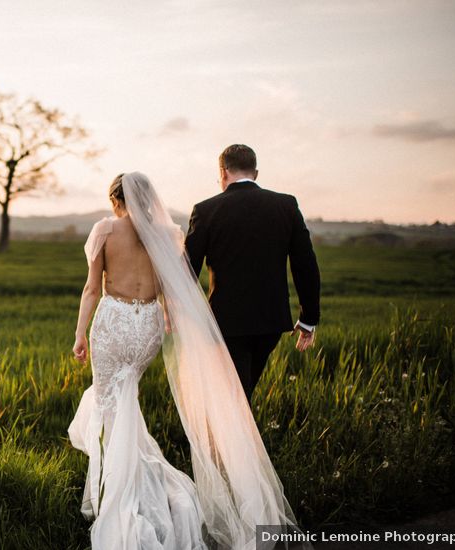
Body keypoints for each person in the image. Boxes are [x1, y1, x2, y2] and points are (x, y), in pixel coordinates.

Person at [68, 172, 310, 550]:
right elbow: (172, 289)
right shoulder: (165, 236)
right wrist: (169, 320)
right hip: (146, 326)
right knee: (125, 399)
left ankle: (114, 491)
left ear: (116, 200)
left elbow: (91, 288)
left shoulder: (104, 231)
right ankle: (127, 479)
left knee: (109, 404)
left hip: (112, 324)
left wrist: (80, 334)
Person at [184, 144, 321, 401]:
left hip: (226, 321)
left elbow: (188, 269)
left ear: (223, 173)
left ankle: (235, 440)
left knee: (235, 396)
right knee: (240, 393)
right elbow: (306, 264)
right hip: (271, 322)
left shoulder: (206, 210)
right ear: (255, 173)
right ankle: (237, 438)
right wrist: (308, 318)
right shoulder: (286, 205)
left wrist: (186, 317)